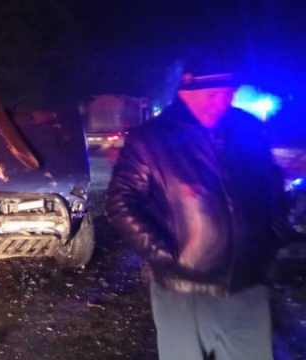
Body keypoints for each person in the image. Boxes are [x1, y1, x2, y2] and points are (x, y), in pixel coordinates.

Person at [105, 56, 296, 360]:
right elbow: (120, 201)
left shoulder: (246, 128)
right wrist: (166, 254)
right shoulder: (151, 138)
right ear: (185, 91)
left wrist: (271, 236)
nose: (220, 101)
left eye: (228, 93)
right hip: (183, 289)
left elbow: (272, 185)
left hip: (248, 283)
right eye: (211, 94)